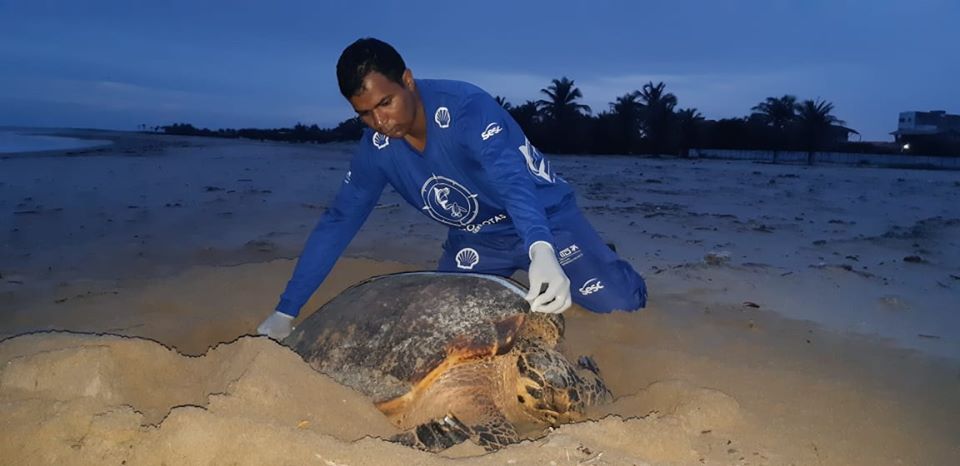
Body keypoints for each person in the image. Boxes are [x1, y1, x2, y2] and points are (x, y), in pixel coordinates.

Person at [257, 38, 646, 339]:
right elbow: (339, 221)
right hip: (477, 239)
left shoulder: (466, 110)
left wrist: (542, 250)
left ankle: (605, 260)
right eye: (365, 114)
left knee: (621, 305)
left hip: (546, 219)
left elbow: (513, 182)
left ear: (408, 81)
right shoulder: (376, 150)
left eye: (385, 103)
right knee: (441, 330)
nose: (380, 122)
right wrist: (286, 311)